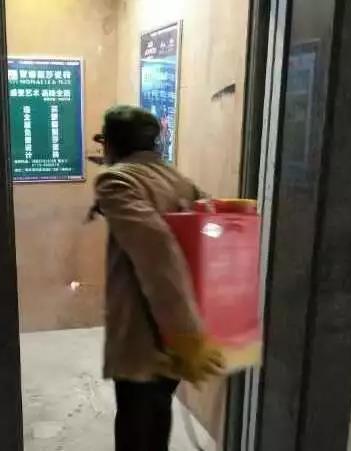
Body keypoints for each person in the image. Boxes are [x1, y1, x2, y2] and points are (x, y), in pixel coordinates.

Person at [89, 105, 224, 451]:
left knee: (136, 429)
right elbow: (207, 222)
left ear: (111, 144)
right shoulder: (177, 179)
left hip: (146, 333)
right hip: (174, 338)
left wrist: (185, 333)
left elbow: (158, 253)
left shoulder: (116, 181)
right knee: (157, 415)